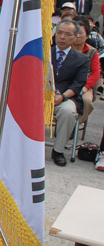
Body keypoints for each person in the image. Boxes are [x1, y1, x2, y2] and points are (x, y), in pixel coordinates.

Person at [50, 19, 89, 166]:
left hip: (65, 97)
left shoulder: (82, 59)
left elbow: (79, 83)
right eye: (59, 32)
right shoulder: (44, 52)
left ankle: (58, 151)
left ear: (75, 37)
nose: (62, 37)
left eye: (67, 34)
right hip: (41, 95)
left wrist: (63, 96)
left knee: (68, 112)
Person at [71, 18, 99, 127]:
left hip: (84, 85)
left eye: (81, 33)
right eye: (75, 32)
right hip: (65, 82)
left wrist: (86, 87)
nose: (77, 36)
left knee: (86, 101)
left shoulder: (92, 52)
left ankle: (76, 124)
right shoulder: (65, 48)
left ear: (87, 36)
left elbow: (95, 73)